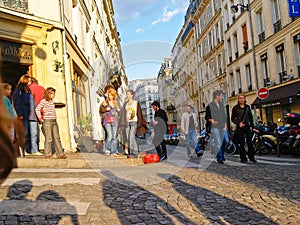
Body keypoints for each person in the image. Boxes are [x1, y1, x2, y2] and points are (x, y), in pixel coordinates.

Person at [13, 75, 43, 156]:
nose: (30, 82)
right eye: (29, 81)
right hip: (25, 115)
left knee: (34, 133)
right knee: (25, 133)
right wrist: (20, 113)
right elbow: (17, 103)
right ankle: (25, 150)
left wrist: (38, 114)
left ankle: (34, 149)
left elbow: (34, 103)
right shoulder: (18, 91)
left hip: (33, 115)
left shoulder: (29, 91)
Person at [35, 87, 67, 159]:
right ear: (48, 94)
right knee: (49, 138)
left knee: (57, 137)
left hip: (54, 120)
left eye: (54, 94)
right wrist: (40, 118)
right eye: (52, 94)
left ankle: (60, 153)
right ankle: (47, 154)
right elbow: (37, 109)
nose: (53, 95)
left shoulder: (51, 102)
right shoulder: (43, 101)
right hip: (47, 121)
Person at [119, 90, 148, 158]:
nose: (127, 95)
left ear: (132, 95)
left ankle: (132, 153)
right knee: (129, 138)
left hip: (134, 122)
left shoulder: (136, 103)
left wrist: (140, 123)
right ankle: (135, 152)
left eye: (128, 94)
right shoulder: (125, 104)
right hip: (127, 122)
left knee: (131, 137)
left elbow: (139, 113)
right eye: (127, 94)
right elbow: (123, 113)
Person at [231, 94, 257, 163]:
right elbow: (232, 118)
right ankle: (243, 158)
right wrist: (238, 123)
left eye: (242, 98)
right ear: (238, 99)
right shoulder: (235, 108)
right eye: (240, 98)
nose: (241, 99)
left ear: (245, 99)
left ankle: (251, 157)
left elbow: (251, 118)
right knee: (241, 142)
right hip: (240, 127)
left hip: (247, 126)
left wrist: (253, 127)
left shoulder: (247, 107)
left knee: (250, 141)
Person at [205, 90, 228, 164]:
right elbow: (207, 117)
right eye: (221, 95)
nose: (222, 97)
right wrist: (211, 120)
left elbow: (224, 115)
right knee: (218, 142)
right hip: (214, 126)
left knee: (226, 141)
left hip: (222, 125)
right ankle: (220, 158)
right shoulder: (210, 106)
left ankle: (222, 153)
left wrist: (225, 123)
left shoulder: (221, 105)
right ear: (216, 96)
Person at [99, 88, 119, 156]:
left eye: (111, 95)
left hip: (114, 121)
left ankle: (113, 151)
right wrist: (105, 109)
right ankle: (107, 150)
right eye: (109, 95)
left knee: (114, 136)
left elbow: (117, 110)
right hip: (107, 120)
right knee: (109, 136)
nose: (110, 96)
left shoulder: (115, 102)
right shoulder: (105, 102)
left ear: (114, 96)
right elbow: (101, 110)